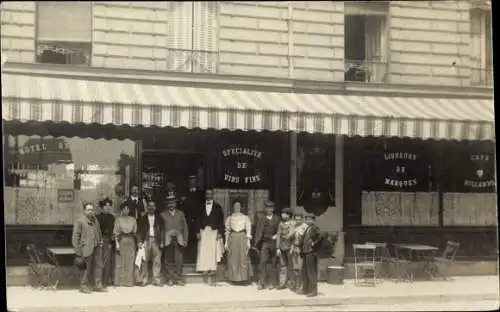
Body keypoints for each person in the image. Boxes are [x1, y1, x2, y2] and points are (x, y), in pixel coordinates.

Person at [72, 202, 106, 294]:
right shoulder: (80, 221)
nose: (90, 211)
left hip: (97, 246)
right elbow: (76, 237)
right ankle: (83, 286)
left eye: (92, 209)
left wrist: (100, 241)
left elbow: (98, 231)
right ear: (84, 210)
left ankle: (98, 285)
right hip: (86, 248)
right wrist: (78, 251)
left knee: (99, 266)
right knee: (85, 267)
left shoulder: (95, 220)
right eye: (88, 210)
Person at [196, 189, 224, 286]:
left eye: (210, 194)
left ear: (213, 195)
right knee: (203, 249)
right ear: (205, 195)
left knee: (212, 250)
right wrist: (197, 232)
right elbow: (197, 220)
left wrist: (220, 232)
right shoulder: (200, 206)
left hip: (213, 231)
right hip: (203, 230)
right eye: (207, 194)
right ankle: (204, 268)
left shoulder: (217, 207)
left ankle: (212, 268)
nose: (208, 195)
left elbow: (221, 221)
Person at [160, 195, 189, 286]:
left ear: (175, 203)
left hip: (178, 239)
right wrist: (161, 241)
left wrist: (185, 240)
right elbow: (161, 229)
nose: (171, 204)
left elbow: (185, 227)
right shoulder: (162, 214)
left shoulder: (181, 214)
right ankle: (170, 278)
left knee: (179, 259)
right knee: (168, 259)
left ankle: (178, 278)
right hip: (167, 239)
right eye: (169, 203)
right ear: (167, 204)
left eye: (173, 202)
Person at [224, 199, 253, 284]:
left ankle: (243, 279)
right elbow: (227, 231)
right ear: (233, 207)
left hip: (242, 238)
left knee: (243, 258)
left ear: (241, 207)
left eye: (238, 206)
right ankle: (234, 279)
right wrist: (226, 242)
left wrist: (248, 242)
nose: (237, 207)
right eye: (235, 206)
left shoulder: (245, 218)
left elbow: (248, 231)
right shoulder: (230, 218)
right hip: (233, 238)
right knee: (233, 259)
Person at [254, 200, 280, 290]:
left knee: (273, 264)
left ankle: (271, 283)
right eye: (268, 208)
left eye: (271, 208)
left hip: (274, 243)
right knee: (262, 262)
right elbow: (258, 232)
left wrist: (277, 235)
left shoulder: (277, 219)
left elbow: (280, 231)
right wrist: (257, 245)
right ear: (265, 209)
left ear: (273, 209)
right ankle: (261, 282)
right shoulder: (262, 219)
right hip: (265, 243)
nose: (269, 210)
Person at [137, 201, 163, 287]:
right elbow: (139, 231)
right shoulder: (142, 218)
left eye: (153, 206)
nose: (151, 208)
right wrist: (139, 241)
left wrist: (162, 241)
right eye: (149, 206)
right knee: (145, 260)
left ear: (155, 207)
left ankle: (157, 280)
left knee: (157, 260)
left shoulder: (159, 218)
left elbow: (163, 230)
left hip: (156, 240)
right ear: (147, 208)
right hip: (146, 240)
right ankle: (144, 280)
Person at [180, 175, 204, 262]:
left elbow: (203, 208)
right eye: (191, 180)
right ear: (189, 182)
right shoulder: (184, 193)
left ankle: (196, 259)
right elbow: (182, 208)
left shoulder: (201, 193)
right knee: (187, 239)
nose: (192, 182)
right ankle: (187, 259)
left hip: (198, 220)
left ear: (196, 181)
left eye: (194, 180)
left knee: (197, 240)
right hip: (187, 220)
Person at [113, 202, 138, 287]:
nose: (126, 210)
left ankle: (129, 281)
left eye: (127, 209)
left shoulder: (133, 219)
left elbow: (135, 232)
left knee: (130, 260)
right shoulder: (118, 220)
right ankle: (120, 281)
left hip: (131, 240)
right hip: (122, 240)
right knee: (121, 260)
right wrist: (117, 244)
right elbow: (116, 233)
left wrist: (137, 243)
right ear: (121, 210)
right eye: (124, 209)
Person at [300, 212, 322, 297]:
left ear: (313, 220)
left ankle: (314, 291)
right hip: (305, 252)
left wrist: (314, 243)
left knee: (311, 272)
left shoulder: (315, 228)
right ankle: (306, 289)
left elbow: (321, 236)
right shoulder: (307, 228)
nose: (308, 221)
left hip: (311, 252)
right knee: (304, 272)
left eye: (310, 219)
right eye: (307, 219)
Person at [96, 198, 115, 287]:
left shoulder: (112, 218)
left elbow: (113, 231)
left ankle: (105, 282)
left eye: (109, 206)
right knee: (99, 262)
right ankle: (98, 282)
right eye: (105, 206)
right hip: (99, 241)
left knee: (107, 262)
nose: (107, 208)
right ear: (102, 207)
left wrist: (111, 242)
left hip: (108, 242)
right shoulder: (97, 218)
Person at [276, 207, 295, 290]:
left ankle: (292, 283)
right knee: (283, 266)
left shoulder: (293, 223)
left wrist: (292, 247)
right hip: (282, 248)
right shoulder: (280, 224)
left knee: (291, 266)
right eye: (282, 213)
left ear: (288, 215)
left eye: (284, 213)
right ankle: (282, 283)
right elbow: (278, 236)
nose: (282, 215)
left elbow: (292, 236)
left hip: (290, 248)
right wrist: (277, 248)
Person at [290, 211, 308, 294]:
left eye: (299, 219)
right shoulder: (294, 226)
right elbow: (291, 239)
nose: (298, 221)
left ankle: (302, 287)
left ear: (302, 219)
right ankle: (297, 285)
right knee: (295, 269)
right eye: (296, 219)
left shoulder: (305, 227)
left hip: (301, 250)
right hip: (294, 249)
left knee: (301, 269)